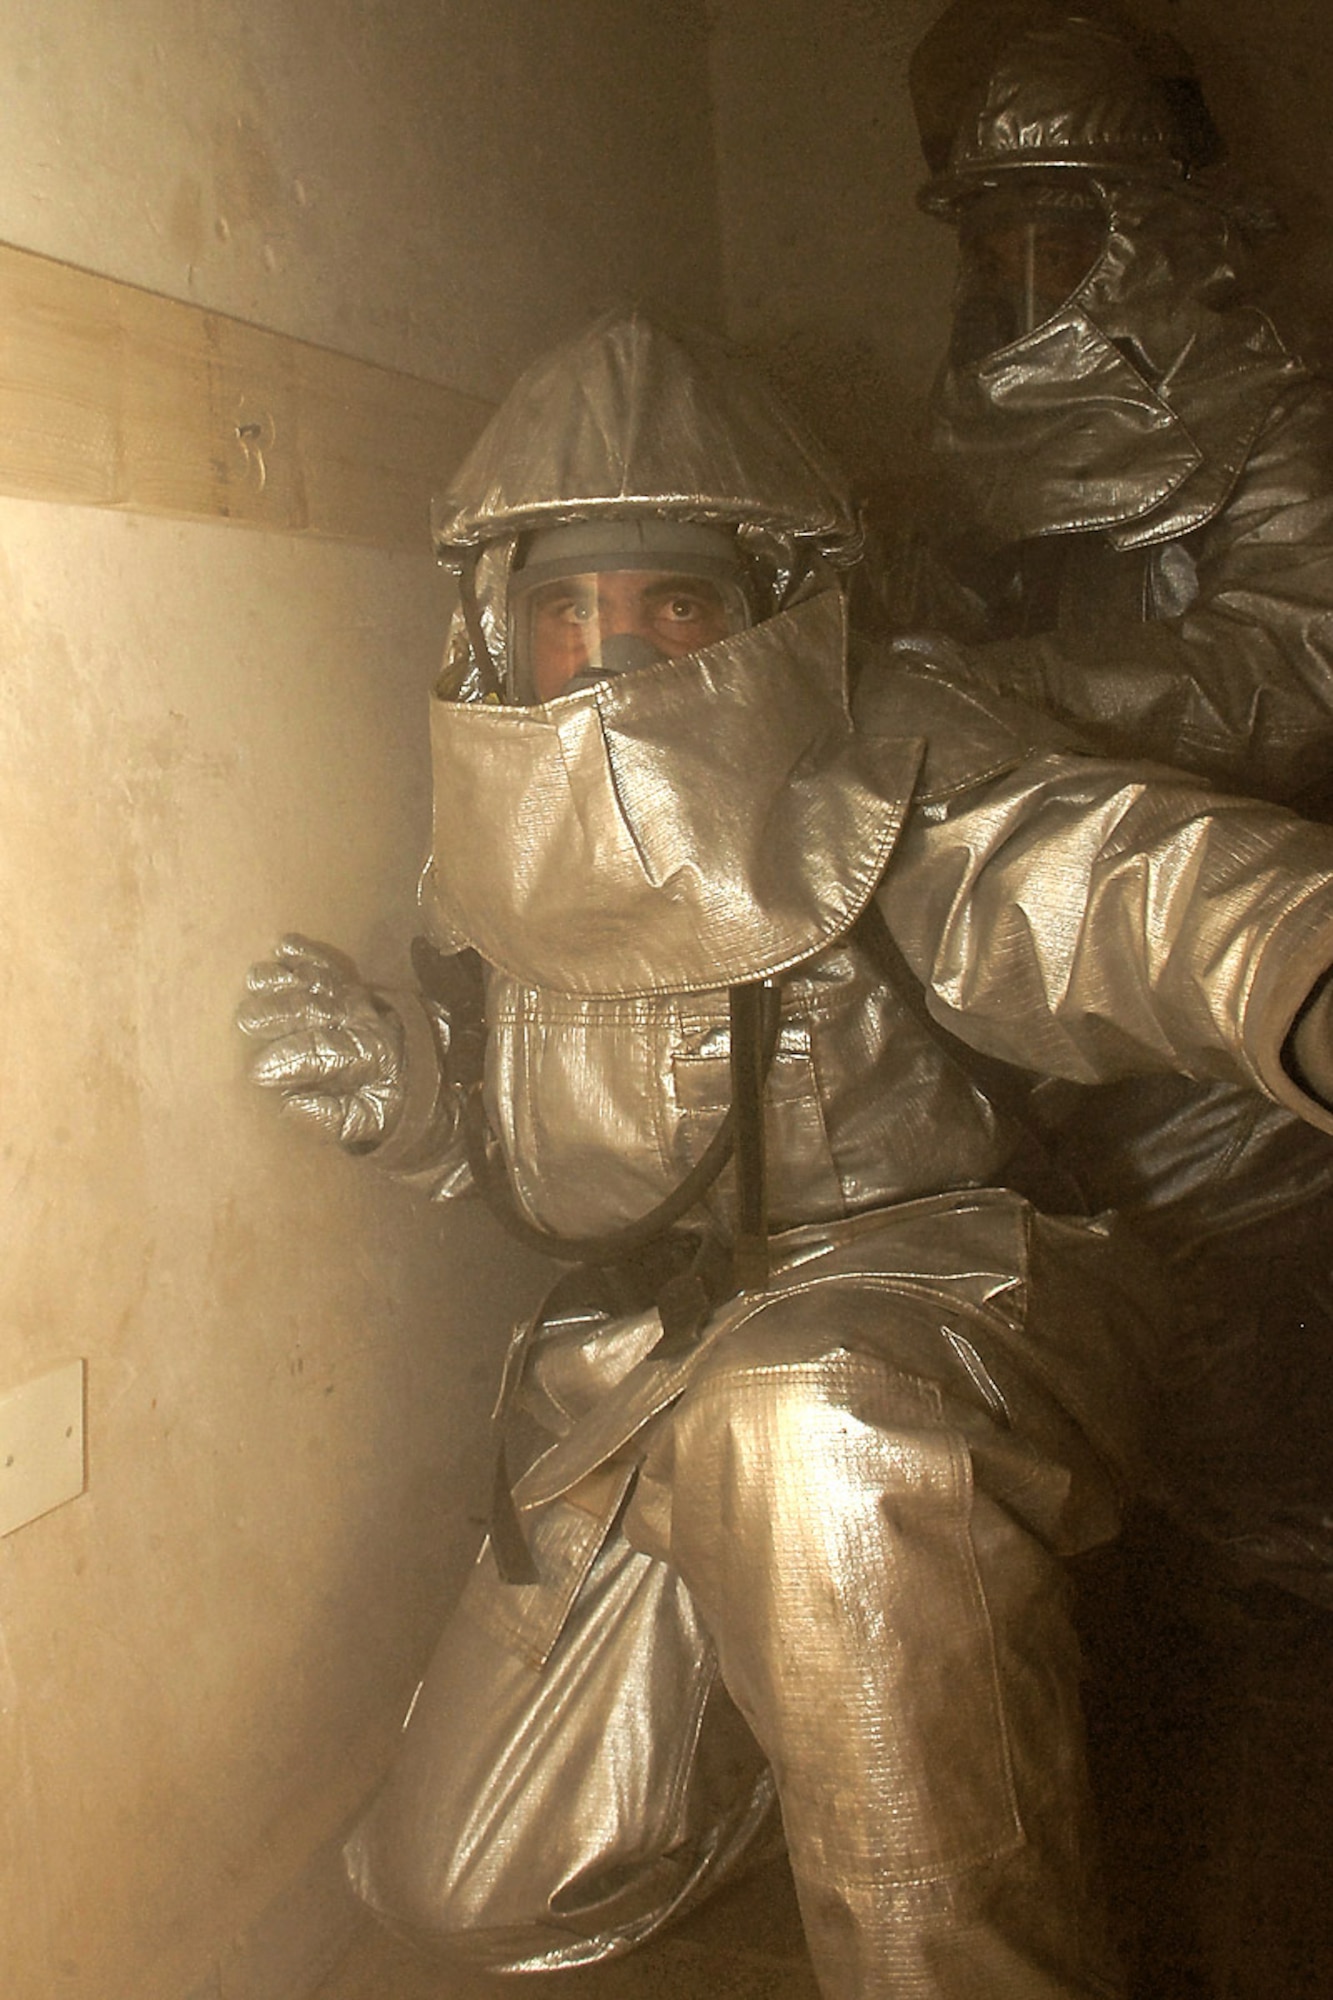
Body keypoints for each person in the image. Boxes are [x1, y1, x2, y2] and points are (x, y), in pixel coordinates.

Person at [238, 311, 1333, 2000]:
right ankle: (852, 1732)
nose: (610, 656)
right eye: (562, 612)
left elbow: (1123, 885)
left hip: (935, 1314)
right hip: (647, 1379)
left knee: (808, 1424)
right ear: (493, 633)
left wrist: (1298, 967)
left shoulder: (890, 748)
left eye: (670, 603)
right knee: (467, 1895)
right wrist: (407, 1092)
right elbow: (549, 1153)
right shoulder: (489, 854)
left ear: (760, 608)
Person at [890, 0, 1333, 1593]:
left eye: (1056, 230)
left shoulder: (1270, 420)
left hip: (1220, 958)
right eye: (992, 233)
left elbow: (1299, 664)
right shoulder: (961, 450)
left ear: (1144, 233)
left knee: (1266, 1368)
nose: (1019, 272)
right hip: (1035, 972)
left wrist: (1039, 692)